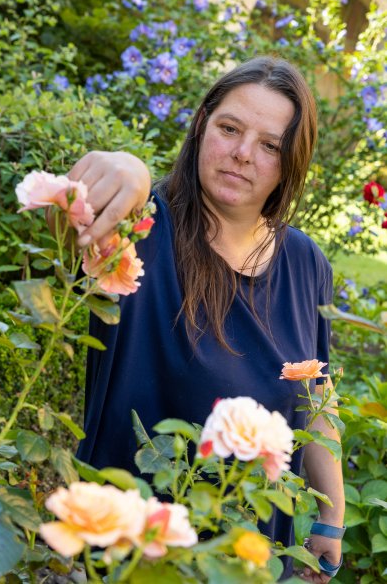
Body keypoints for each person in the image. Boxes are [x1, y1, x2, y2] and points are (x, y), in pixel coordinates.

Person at [55, 56, 345, 582]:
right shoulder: (139, 230)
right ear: (201, 123)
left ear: (290, 163)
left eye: (269, 145)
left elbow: (317, 395)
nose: (241, 154)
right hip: (131, 551)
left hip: (250, 557)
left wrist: (333, 517)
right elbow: (80, 204)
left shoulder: (306, 264)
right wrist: (127, 168)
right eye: (230, 129)